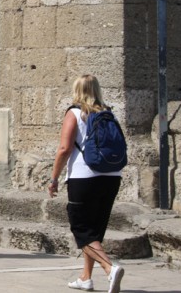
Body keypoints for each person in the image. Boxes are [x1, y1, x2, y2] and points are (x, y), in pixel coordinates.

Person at [48, 75, 124, 293]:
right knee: (95, 229)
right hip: (112, 175)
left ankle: (110, 268)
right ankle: (85, 277)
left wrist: (54, 179)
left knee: (81, 229)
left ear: (77, 90)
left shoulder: (74, 113)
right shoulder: (109, 113)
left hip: (84, 177)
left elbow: (64, 149)